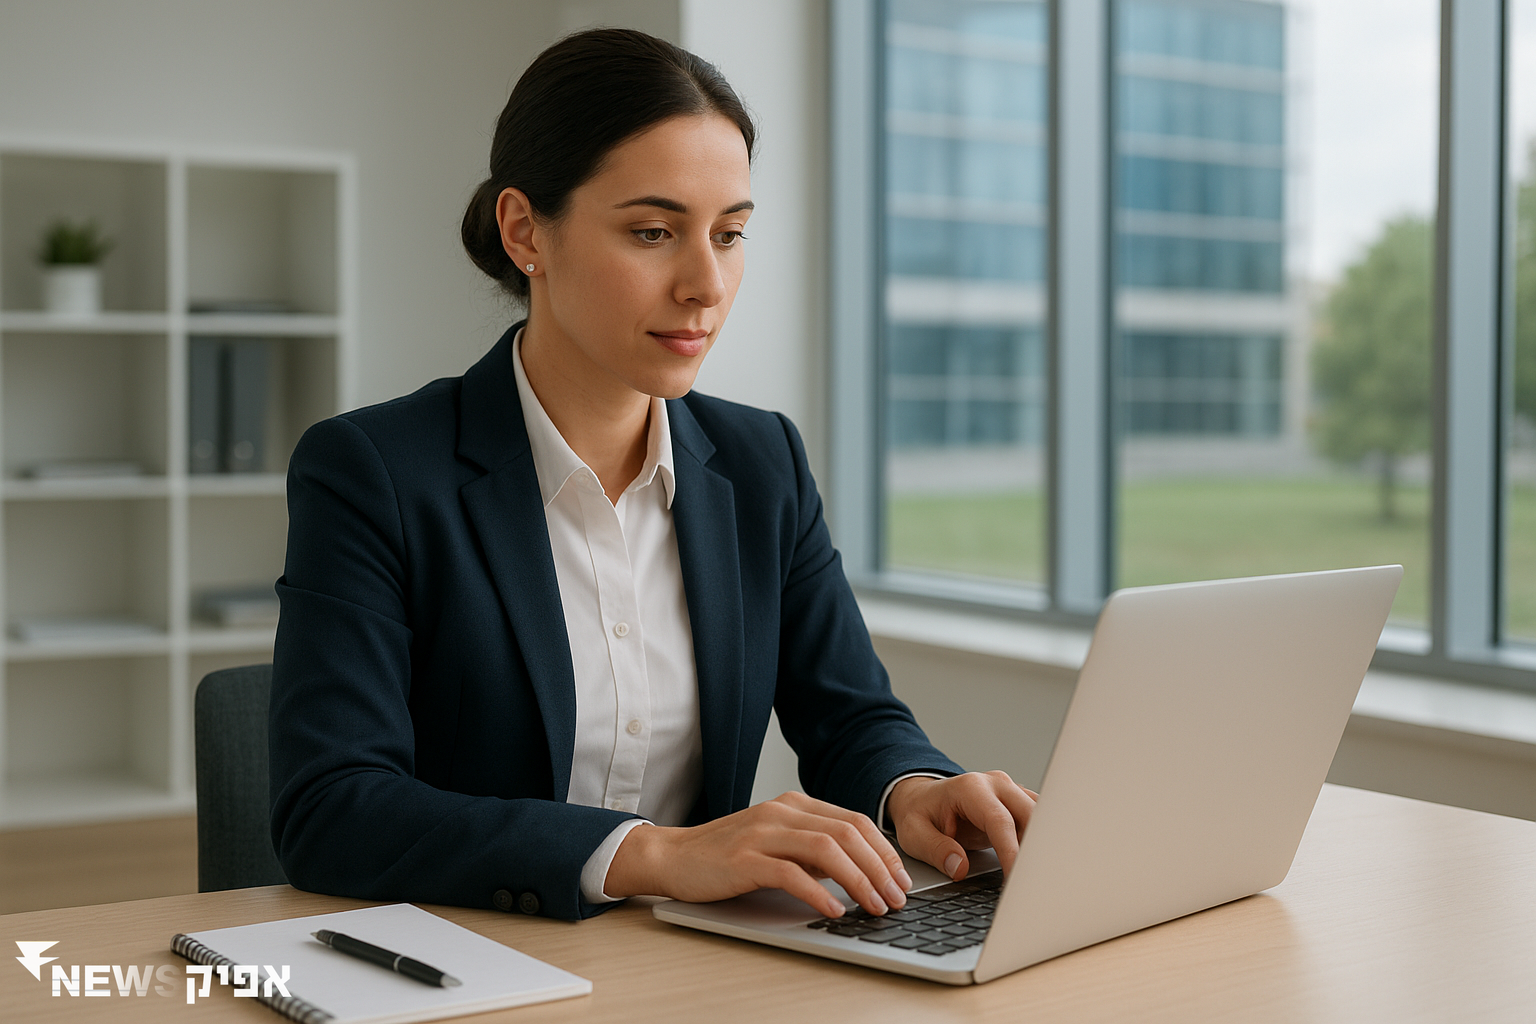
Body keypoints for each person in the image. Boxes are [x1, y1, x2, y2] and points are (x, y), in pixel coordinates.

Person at [268, 27, 1036, 923]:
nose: (706, 283)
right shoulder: (374, 472)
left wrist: (914, 788)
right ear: (525, 231)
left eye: (730, 234)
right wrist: (654, 854)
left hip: (699, 963)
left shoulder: (762, 463)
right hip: (478, 953)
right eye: (653, 232)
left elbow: (852, 717)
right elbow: (332, 808)